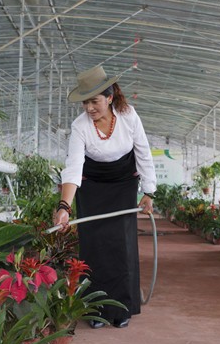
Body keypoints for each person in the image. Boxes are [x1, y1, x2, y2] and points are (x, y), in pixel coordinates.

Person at [53, 65, 156, 329]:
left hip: (123, 184)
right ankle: (95, 309)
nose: (89, 108)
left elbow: (143, 152)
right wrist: (64, 206)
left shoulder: (128, 115)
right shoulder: (80, 126)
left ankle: (121, 308)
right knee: (94, 244)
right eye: (85, 102)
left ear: (109, 98)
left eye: (95, 101)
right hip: (92, 187)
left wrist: (148, 192)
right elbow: (73, 166)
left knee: (122, 244)